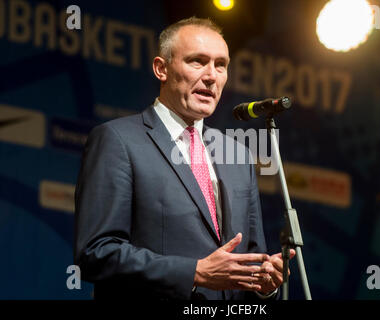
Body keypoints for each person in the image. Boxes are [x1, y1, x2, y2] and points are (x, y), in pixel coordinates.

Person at [74, 16, 294, 300]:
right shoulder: (118, 140)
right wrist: (194, 272)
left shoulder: (238, 156)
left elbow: (250, 263)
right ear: (161, 69)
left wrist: (266, 284)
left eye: (221, 65)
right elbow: (96, 253)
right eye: (197, 61)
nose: (211, 75)